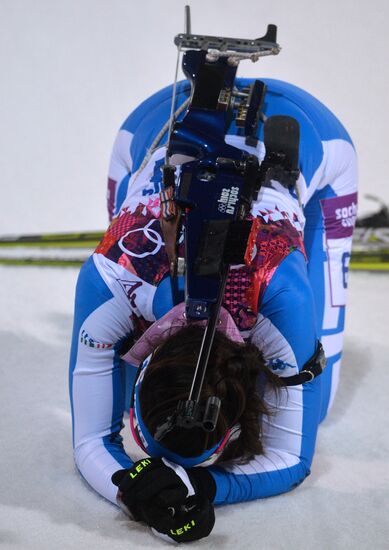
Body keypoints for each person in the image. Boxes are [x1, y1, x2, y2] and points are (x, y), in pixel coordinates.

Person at [69, 77, 357, 543]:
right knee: (305, 404)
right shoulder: (108, 280)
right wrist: (152, 488)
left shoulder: (111, 281)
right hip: (157, 127)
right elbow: (285, 459)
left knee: (317, 410)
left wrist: (181, 486)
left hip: (293, 129)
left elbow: (294, 461)